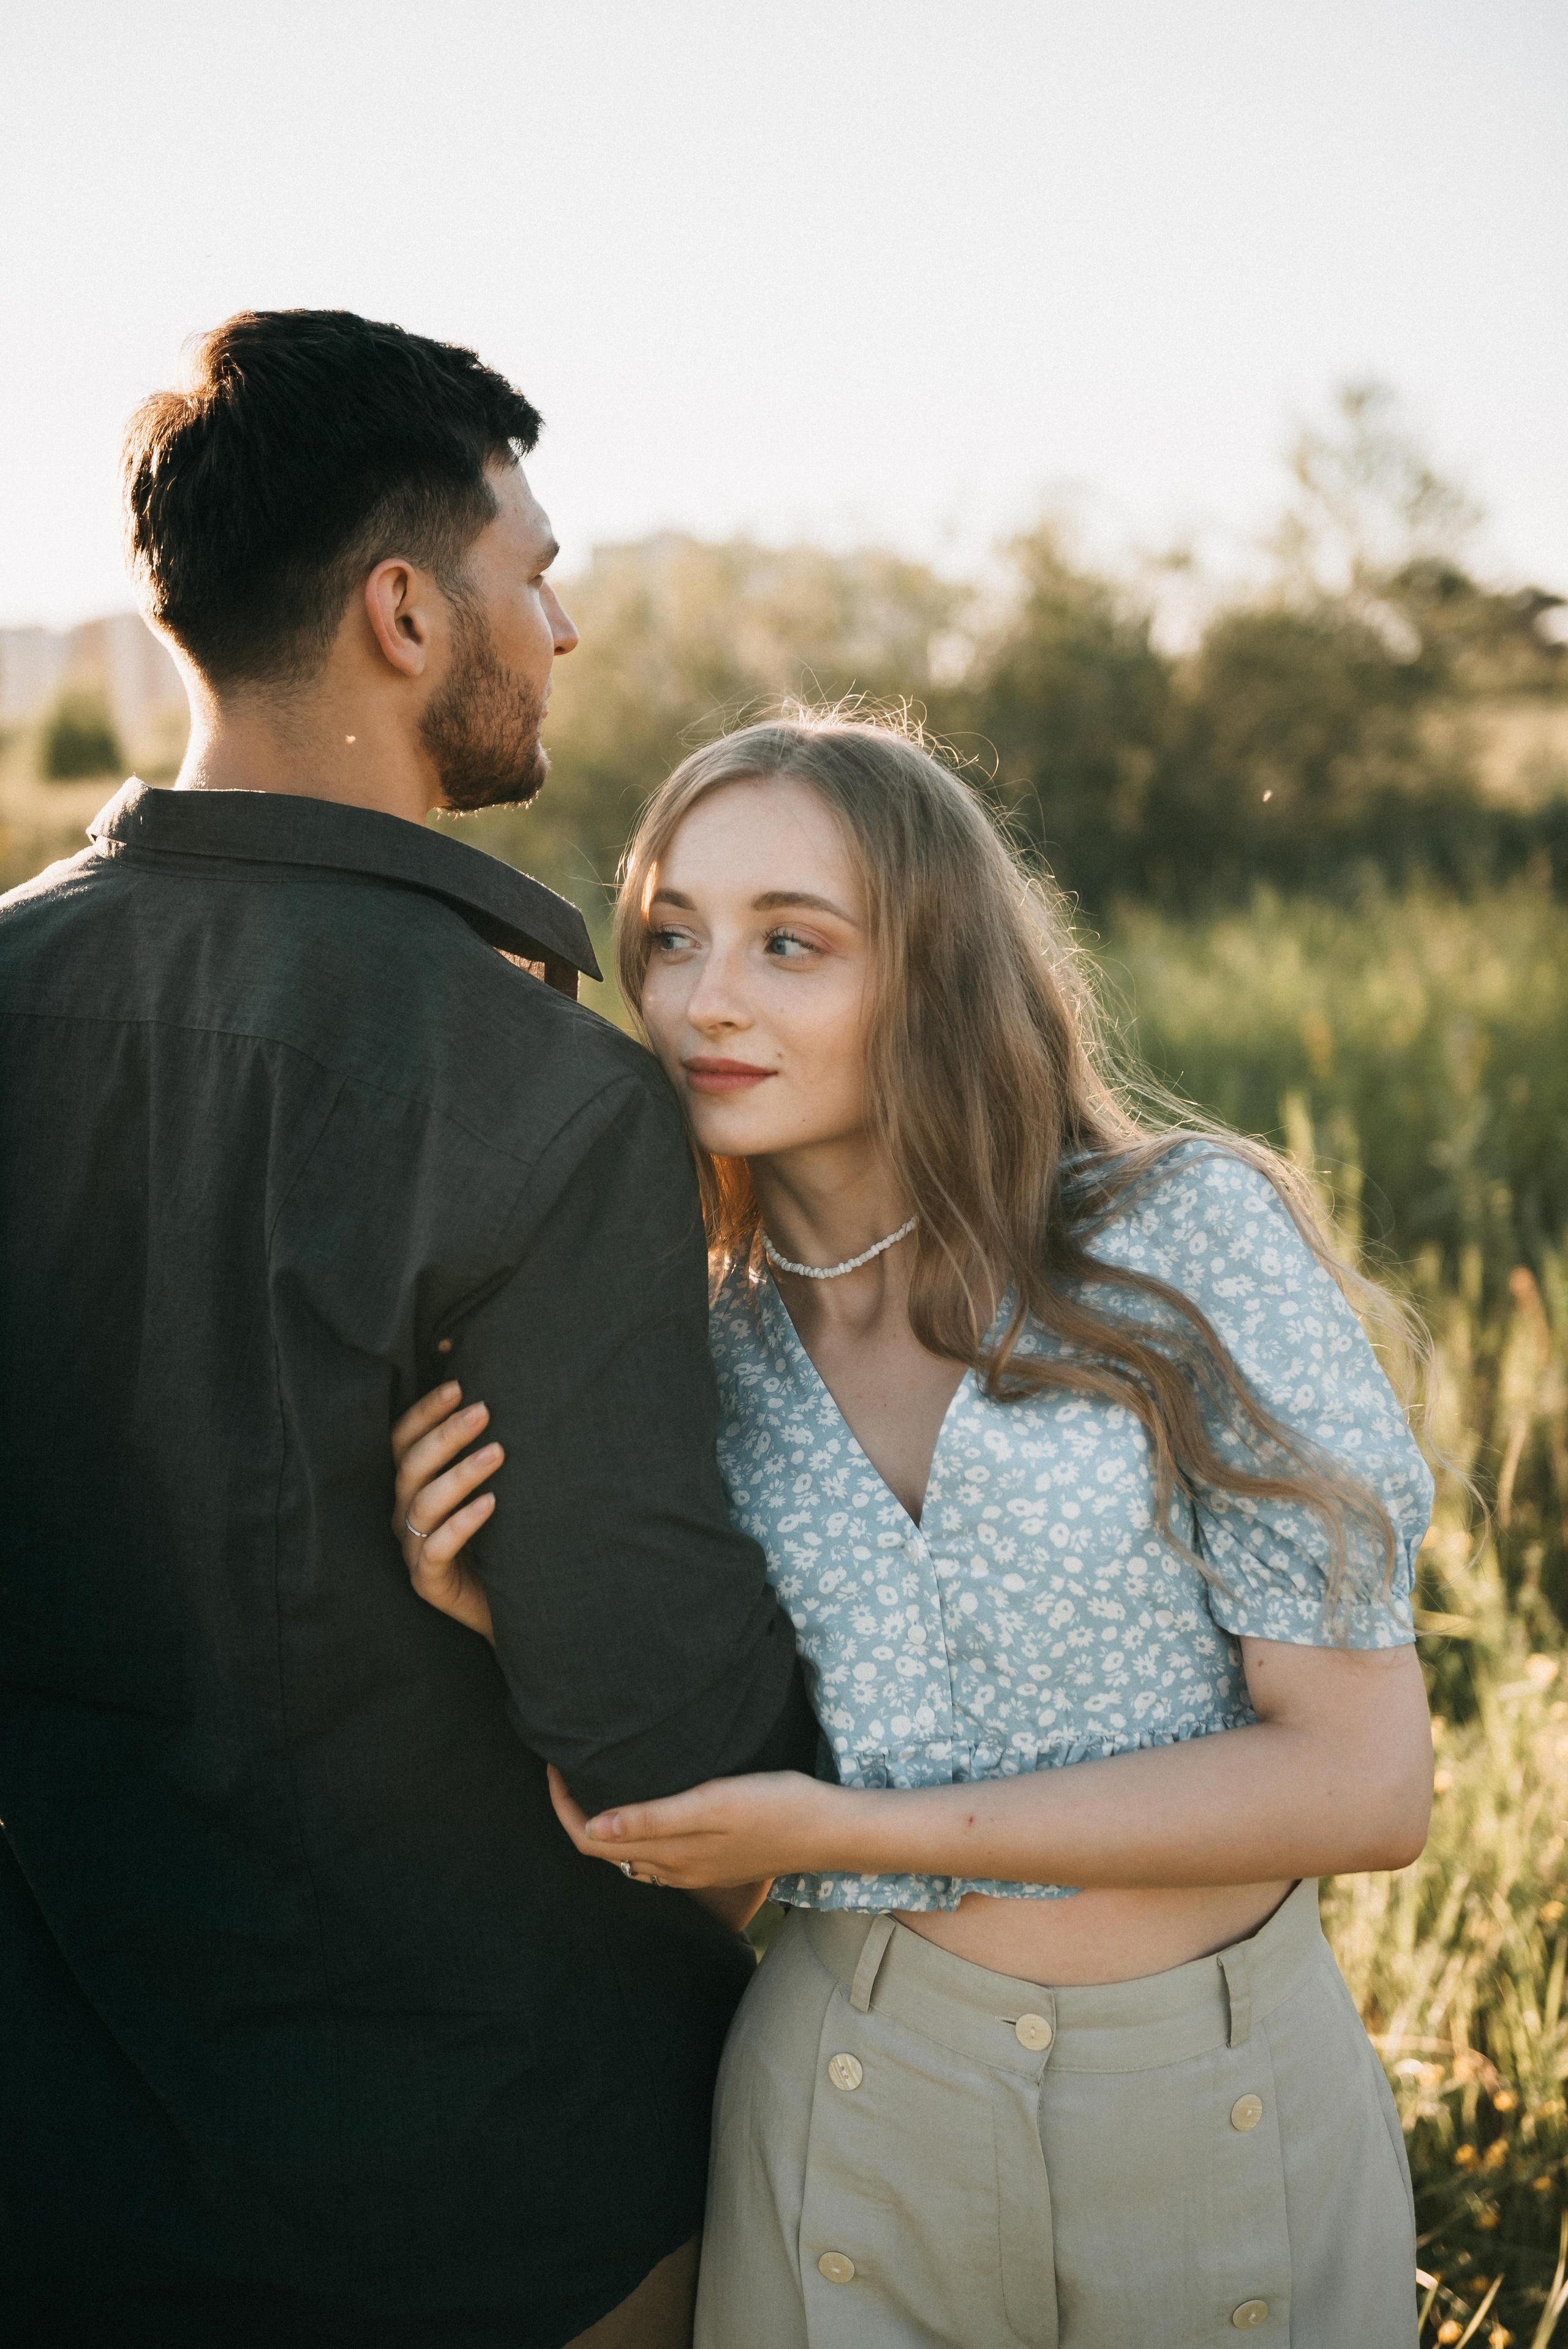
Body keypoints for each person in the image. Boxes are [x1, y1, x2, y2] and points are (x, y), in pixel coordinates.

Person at [398, 714, 1436, 2348]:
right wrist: (508, 1601)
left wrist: (835, 1833)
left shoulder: (1176, 1243)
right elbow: (696, 1852)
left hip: (1222, 2102)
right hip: (845, 2092)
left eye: (789, 942)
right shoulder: (681, 1348)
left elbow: (1367, 1785)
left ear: (934, 970)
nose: (701, 999)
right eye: (669, 937)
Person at [0, 311, 817, 2349]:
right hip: (503, 2199)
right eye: (532, 575)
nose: (560, 627)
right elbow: (666, 1751)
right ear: (400, 612)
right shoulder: (543, 1097)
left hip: (60, 2179)